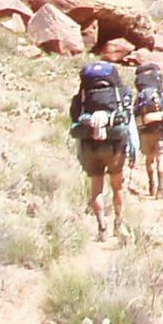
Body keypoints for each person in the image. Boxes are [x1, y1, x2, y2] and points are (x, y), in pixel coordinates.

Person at [68, 60, 133, 239]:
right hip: (114, 146)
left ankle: (101, 228)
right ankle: (118, 224)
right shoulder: (121, 93)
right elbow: (128, 118)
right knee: (117, 187)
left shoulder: (81, 97)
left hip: (89, 146)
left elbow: (74, 119)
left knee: (96, 189)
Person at [131, 61, 163, 199]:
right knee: (161, 158)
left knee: (149, 159)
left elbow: (135, 114)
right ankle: (160, 189)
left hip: (145, 131)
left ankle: (151, 184)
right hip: (162, 130)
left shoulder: (140, 96)